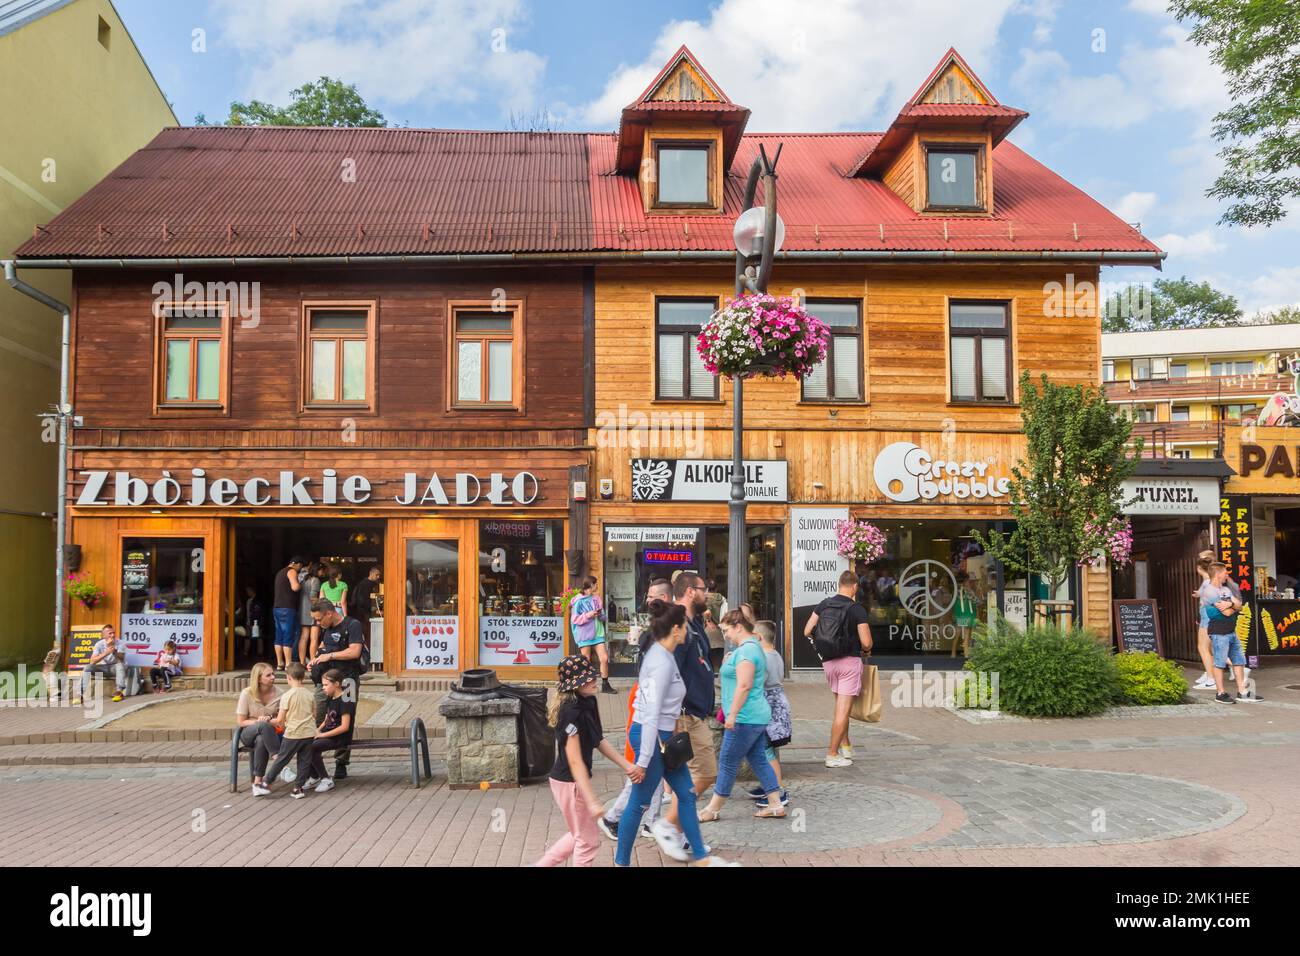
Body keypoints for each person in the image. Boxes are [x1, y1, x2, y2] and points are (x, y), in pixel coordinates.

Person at [614, 600, 736, 867]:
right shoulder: (662, 662)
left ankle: (701, 859)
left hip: (663, 737)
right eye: (686, 629)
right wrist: (643, 762)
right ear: (676, 630)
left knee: (687, 793)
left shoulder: (664, 656)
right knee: (639, 802)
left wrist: (674, 730)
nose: (689, 633)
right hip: (653, 737)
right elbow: (650, 714)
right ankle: (621, 862)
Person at [536, 656, 639, 867]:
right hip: (569, 783)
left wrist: (627, 766)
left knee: (578, 835)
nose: (594, 680)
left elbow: (598, 739)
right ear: (574, 685)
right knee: (588, 842)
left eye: (592, 676)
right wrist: (592, 800)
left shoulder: (588, 701)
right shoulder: (570, 712)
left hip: (573, 782)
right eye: (586, 679)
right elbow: (574, 761)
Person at [599, 578, 672, 843]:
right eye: (649, 597)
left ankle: (650, 821)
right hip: (648, 709)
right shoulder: (654, 634)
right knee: (644, 771)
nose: (649, 601)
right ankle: (615, 818)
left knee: (655, 770)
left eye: (653, 597)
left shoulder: (661, 630)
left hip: (656, 709)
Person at [651, 571, 717, 862]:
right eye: (704, 589)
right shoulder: (680, 627)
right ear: (690, 592)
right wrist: (673, 714)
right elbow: (669, 668)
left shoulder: (694, 623)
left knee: (689, 778)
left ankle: (678, 832)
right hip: (686, 713)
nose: (708, 594)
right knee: (705, 773)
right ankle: (669, 825)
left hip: (695, 710)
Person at [697, 611, 784, 822]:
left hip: (746, 716)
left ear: (738, 626)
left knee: (727, 761)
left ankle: (713, 809)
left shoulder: (746, 652)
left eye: (726, 630)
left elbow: (744, 685)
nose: (725, 635)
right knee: (758, 759)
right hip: (753, 715)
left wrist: (732, 714)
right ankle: (775, 804)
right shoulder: (749, 649)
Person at [804, 569, 872, 767]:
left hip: (828, 662)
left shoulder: (824, 604)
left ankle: (846, 745)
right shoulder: (857, 609)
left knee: (842, 707)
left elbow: (807, 630)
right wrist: (866, 648)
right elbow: (866, 643)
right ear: (855, 587)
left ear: (839, 584)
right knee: (843, 711)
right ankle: (832, 754)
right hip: (849, 662)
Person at [308, 598, 365, 780]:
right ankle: (315, 764)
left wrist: (330, 656)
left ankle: (341, 763)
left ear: (329, 613)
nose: (318, 623)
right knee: (319, 717)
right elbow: (323, 647)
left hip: (347, 681)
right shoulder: (327, 628)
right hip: (327, 681)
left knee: (345, 720)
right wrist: (316, 659)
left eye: (319, 619)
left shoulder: (352, 625)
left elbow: (355, 651)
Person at [1201, 563, 1262, 704]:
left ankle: (1242, 692)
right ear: (1218, 574)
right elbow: (1228, 612)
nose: (1227, 575)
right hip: (1219, 631)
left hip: (1231, 630)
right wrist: (1232, 605)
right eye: (1225, 573)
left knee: (1239, 660)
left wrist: (1230, 604)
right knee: (1219, 663)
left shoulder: (1225, 589)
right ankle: (1220, 693)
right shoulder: (1209, 592)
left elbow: (1239, 605)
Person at [255, 662, 315, 798]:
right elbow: (313, 714)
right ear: (303, 676)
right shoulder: (310, 695)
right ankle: (298, 789)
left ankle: (266, 782)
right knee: (304, 761)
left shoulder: (287, 696)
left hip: (293, 734)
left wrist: (267, 720)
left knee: (282, 759)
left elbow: (280, 720)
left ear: (288, 678)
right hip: (309, 733)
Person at [749, 619, 790, 805]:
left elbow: (759, 682)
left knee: (767, 750)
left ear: (758, 637)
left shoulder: (763, 658)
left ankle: (777, 790)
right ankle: (769, 784)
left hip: (768, 707)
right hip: (777, 704)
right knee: (766, 748)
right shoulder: (776, 655)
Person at [236, 662, 290, 789]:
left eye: (273, 674)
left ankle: (257, 782)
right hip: (249, 732)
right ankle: (279, 763)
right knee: (262, 726)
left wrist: (269, 720)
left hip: (272, 733)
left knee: (261, 739)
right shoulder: (247, 693)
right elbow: (241, 721)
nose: (273, 677)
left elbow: (282, 720)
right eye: (268, 675)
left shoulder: (280, 693)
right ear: (259, 678)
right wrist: (258, 721)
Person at [305, 668, 356, 794]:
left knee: (311, 747)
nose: (323, 688)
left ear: (337, 684)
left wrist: (322, 735)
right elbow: (328, 718)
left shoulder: (346, 700)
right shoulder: (330, 698)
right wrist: (318, 730)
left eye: (326, 685)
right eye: (323, 685)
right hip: (328, 734)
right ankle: (314, 776)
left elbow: (344, 727)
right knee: (304, 743)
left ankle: (326, 779)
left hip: (340, 738)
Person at [571, 575, 615, 694]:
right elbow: (575, 620)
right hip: (585, 635)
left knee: (604, 659)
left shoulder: (596, 598)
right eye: (596, 584)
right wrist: (589, 615)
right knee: (586, 660)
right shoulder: (578, 601)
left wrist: (600, 615)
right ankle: (583, 686)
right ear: (590, 585)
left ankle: (605, 685)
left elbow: (604, 617)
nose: (597, 586)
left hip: (598, 634)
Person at [77, 624, 129, 704]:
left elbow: (121, 660)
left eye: (113, 633)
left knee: (120, 665)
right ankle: (80, 694)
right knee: (88, 667)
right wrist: (106, 652)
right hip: (104, 668)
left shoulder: (120, 643)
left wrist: (114, 651)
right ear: (104, 635)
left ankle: (119, 692)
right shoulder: (99, 644)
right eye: (110, 633)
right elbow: (92, 661)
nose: (113, 635)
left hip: (116, 669)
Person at [272, 557, 304, 671]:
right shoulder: (292, 571)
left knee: (279, 636)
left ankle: (280, 663)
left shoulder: (280, 572)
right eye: (301, 566)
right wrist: (301, 585)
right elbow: (295, 587)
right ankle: (288, 664)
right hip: (287, 608)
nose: (301, 568)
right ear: (297, 564)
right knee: (288, 635)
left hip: (277, 607)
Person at [351, 565, 382, 655]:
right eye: (377, 575)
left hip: (367, 614)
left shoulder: (373, 584)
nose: (378, 577)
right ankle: (368, 655)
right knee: (368, 635)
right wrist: (372, 609)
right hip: (364, 614)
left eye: (379, 575)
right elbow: (362, 600)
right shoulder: (364, 585)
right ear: (371, 574)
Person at [298, 561, 323, 667]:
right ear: (318, 570)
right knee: (314, 638)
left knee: (303, 637)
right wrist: (321, 606)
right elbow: (313, 597)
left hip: (303, 610)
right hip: (313, 611)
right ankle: (313, 662)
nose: (323, 573)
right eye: (322, 570)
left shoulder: (303, 579)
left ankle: (302, 662)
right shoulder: (315, 580)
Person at [702, 578, 728, 669]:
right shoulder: (722, 598)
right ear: (716, 588)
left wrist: (708, 621)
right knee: (719, 657)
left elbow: (707, 612)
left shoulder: (706, 599)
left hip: (709, 631)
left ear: (706, 589)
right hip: (720, 631)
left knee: (709, 658)